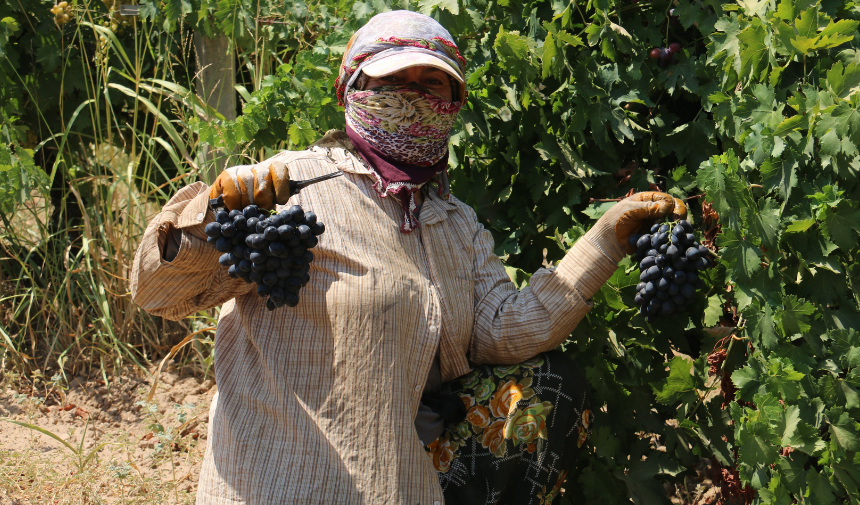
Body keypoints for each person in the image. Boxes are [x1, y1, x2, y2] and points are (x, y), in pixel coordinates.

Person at [131, 10, 686, 505]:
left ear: (453, 104)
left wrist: (607, 239)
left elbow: (505, 330)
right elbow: (159, 293)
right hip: (280, 484)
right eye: (395, 80)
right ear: (354, 87)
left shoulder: (454, 220)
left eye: (432, 84)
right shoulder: (288, 188)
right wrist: (204, 216)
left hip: (398, 486)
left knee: (551, 381)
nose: (414, 96)